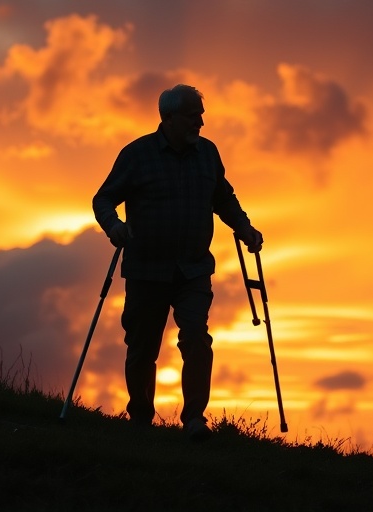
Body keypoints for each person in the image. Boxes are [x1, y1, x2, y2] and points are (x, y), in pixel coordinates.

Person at [92, 84, 263, 441]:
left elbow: (223, 197)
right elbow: (104, 198)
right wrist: (114, 226)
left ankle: (194, 420)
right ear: (168, 118)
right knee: (142, 346)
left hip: (194, 268)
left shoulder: (208, 153)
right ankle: (140, 417)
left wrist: (244, 227)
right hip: (146, 269)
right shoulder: (137, 155)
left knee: (196, 339)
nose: (200, 121)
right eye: (192, 114)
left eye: (200, 114)